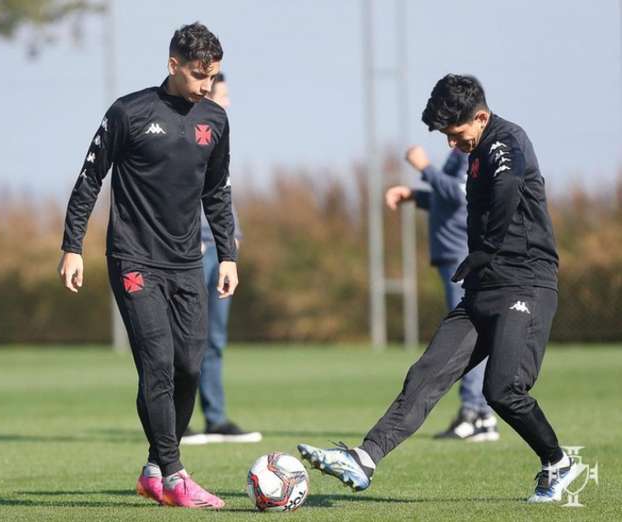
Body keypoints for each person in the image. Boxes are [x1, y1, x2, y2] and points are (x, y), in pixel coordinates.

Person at [298, 74, 580, 503]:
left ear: (481, 117)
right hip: (483, 289)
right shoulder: (476, 151)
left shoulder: (506, 141)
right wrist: (421, 200)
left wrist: (485, 249)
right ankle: (364, 458)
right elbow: (473, 200)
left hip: (526, 284)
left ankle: (557, 463)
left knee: (503, 390)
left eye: (456, 133)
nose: (452, 143)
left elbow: (505, 191)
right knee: (426, 373)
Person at [57, 22, 237, 509]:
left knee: (188, 366)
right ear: (173, 63)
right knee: (156, 362)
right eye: (199, 74)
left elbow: (217, 194)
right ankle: (175, 475)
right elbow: (89, 179)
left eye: (213, 75)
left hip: (186, 263)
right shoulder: (128, 112)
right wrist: (72, 245)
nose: (207, 84)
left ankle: (155, 469)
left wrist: (228, 255)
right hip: (134, 258)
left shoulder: (214, 122)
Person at [386, 146, 499, 442]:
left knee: (467, 335)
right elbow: (445, 199)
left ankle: (474, 413)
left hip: (462, 256)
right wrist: (415, 196)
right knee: (472, 332)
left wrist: (424, 167)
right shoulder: (459, 153)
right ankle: (482, 415)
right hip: (451, 255)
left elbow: (460, 194)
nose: (447, 138)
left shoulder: (473, 153)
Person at [181, 73, 262, 446]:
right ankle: (177, 424)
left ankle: (215, 419)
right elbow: (177, 194)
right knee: (185, 338)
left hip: (219, 250)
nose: (227, 102)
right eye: (223, 95)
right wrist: (186, 238)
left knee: (213, 340)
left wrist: (233, 240)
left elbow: (220, 193)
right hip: (190, 249)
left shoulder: (218, 135)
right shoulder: (181, 134)